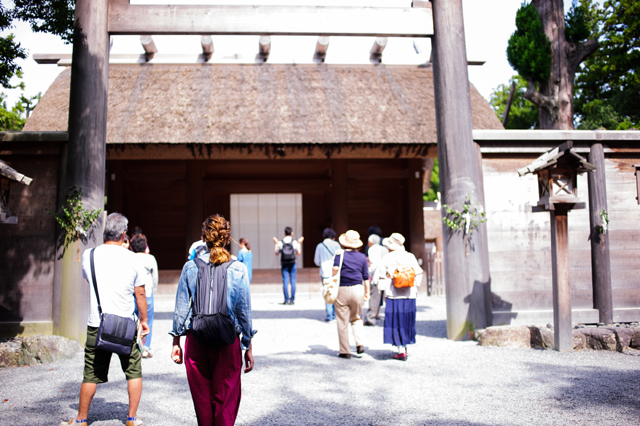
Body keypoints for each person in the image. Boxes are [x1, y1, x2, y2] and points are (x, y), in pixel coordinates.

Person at [61, 213, 149, 426]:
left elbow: (88, 280)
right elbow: (140, 294)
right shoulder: (133, 258)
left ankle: (81, 419)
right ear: (124, 234)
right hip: (126, 324)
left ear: (105, 232)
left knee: (90, 373)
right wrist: (144, 321)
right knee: (133, 370)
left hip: (97, 323)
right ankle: (131, 418)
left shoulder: (90, 255)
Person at [170, 214, 256, 426]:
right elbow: (244, 311)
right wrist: (248, 345)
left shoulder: (190, 267)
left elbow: (182, 308)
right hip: (227, 339)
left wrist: (176, 342)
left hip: (196, 339)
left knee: (202, 399)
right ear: (227, 239)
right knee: (226, 398)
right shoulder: (238, 269)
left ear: (203, 238)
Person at [375, 233, 423, 361]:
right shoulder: (410, 257)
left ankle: (400, 349)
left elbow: (381, 276)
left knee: (395, 320)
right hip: (409, 294)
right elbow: (418, 273)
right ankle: (405, 345)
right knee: (407, 320)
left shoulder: (387, 258)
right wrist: (413, 285)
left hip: (393, 293)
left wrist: (382, 289)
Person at [332, 230, 369, 359]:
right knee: (357, 318)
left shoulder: (339, 254)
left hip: (342, 289)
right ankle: (360, 344)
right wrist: (367, 291)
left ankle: (345, 351)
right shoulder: (362, 257)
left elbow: (335, 271)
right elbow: (365, 277)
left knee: (342, 321)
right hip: (358, 289)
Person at [130, 233, 158, 359]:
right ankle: (145, 348)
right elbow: (155, 276)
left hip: (132, 294)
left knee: (132, 320)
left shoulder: (129, 257)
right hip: (147, 292)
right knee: (148, 321)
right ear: (145, 246)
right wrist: (154, 288)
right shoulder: (150, 258)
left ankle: (133, 346)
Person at [314, 228, 341, 322]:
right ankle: (336, 314)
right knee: (336, 292)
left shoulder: (320, 246)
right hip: (336, 272)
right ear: (333, 237)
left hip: (325, 272)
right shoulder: (337, 244)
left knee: (327, 292)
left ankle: (330, 315)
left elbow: (316, 261)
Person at [273, 226, 303, 305]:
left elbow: (276, 253)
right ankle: (292, 300)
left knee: (285, 281)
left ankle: (286, 299)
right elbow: (298, 252)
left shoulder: (281, 242)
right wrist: (299, 243)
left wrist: (276, 243)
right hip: (292, 263)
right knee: (293, 281)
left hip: (284, 264)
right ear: (292, 233)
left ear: (284, 233)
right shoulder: (294, 242)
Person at [365, 234, 389, 326]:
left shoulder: (372, 249)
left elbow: (373, 264)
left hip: (377, 275)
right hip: (386, 275)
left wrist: (368, 273)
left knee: (374, 297)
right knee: (386, 297)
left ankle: (371, 318)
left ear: (371, 241)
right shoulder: (385, 249)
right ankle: (386, 316)